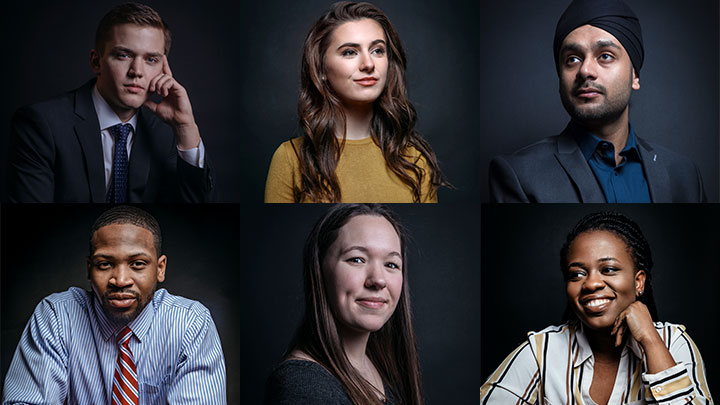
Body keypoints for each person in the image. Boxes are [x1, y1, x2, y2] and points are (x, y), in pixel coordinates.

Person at [480, 211, 713, 404]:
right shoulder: (543, 351)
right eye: (577, 274)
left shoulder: (673, 342)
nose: (591, 283)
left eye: (609, 269)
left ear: (638, 281)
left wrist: (650, 339)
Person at [2, 206, 226, 403]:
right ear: (89, 268)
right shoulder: (57, 316)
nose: (120, 280)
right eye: (105, 264)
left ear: (160, 268)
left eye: (137, 264)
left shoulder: (190, 323)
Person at [489, 0, 706, 203]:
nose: (585, 71)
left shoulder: (684, 175)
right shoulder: (519, 174)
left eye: (605, 56)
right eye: (572, 59)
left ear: (635, 76)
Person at [6, 3, 215, 203]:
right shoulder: (41, 124)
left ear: (163, 67)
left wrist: (186, 127)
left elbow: (200, 212)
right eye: (123, 55)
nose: (137, 72)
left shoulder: (168, 133)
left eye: (151, 59)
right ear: (96, 61)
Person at [264, 2, 448, 203]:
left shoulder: (414, 159)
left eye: (377, 50)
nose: (368, 64)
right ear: (321, 68)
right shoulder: (290, 159)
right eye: (350, 52)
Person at [265, 204, 424, 404]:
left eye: (391, 264)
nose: (378, 280)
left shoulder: (378, 368)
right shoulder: (304, 387)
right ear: (319, 270)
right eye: (357, 259)